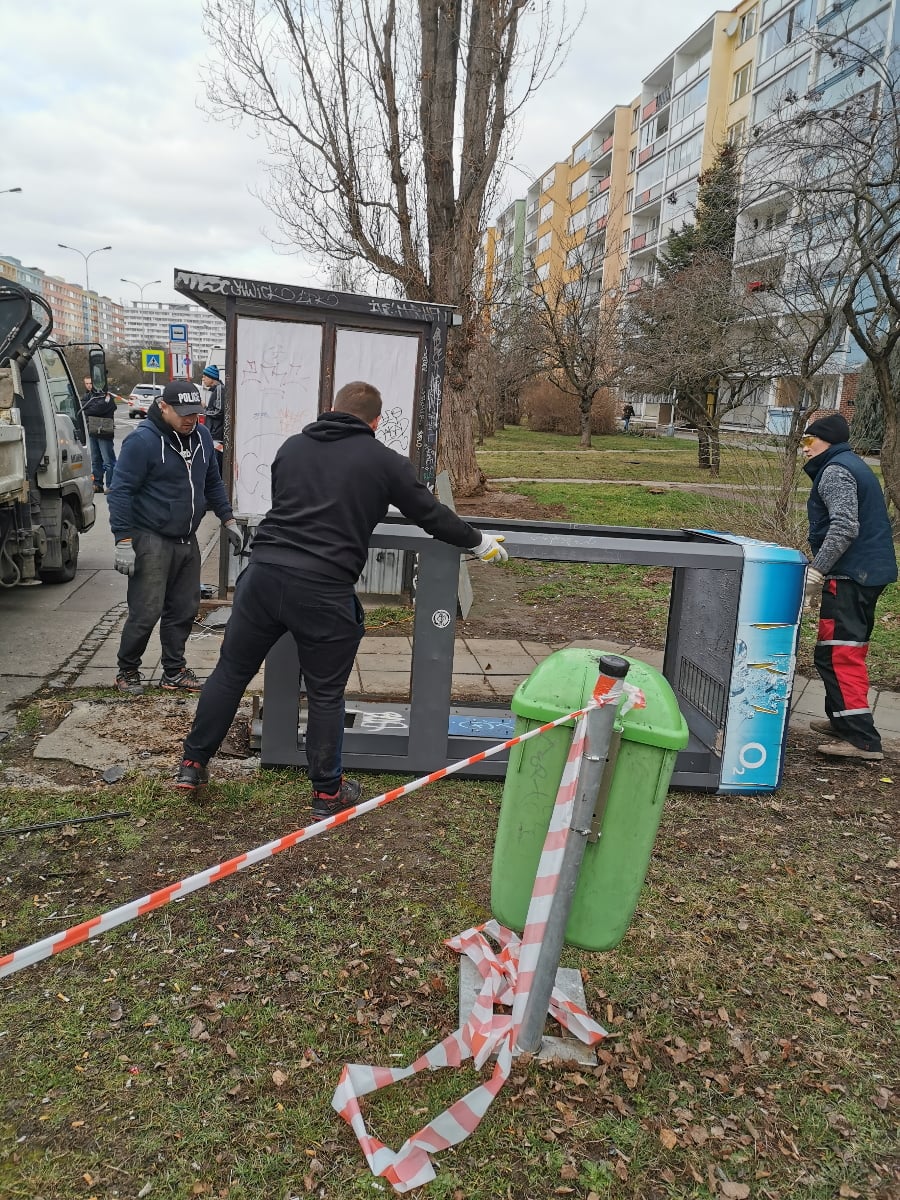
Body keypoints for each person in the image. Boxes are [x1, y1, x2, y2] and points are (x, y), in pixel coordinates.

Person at [175, 380, 509, 817]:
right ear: (375, 422)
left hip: (261, 576)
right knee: (325, 693)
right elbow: (429, 514)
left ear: (331, 409)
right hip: (322, 588)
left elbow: (291, 504)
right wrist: (478, 541)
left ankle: (192, 764)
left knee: (231, 672)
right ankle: (327, 793)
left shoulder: (292, 448)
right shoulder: (384, 461)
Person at [108, 379, 243, 696]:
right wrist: (123, 540)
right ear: (163, 407)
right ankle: (127, 670)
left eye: (195, 413)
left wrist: (228, 518)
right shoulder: (142, 442)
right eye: (183, 413)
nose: (190, 419)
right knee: (146, 611)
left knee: (183, 609)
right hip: (150, 537)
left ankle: (174, 671)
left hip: (186, 538)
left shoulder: (202, 437)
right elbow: (120, 492)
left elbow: (212, 481)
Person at [801, 412, 896, 761]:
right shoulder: (850, 464)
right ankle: (843, 720)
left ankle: (860, 738)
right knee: (841, 651)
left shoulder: (836, 471)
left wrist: (817, 571)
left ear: (826, 440)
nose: (804, 448)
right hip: (867, 573)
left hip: (852, 576)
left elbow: (844, 527)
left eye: (808, 441)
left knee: (839, 654)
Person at [81, 376, 118, 493]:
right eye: (86, 383)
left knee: (108, 460)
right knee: (96, 459)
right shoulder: (88, 396)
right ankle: (97, 484)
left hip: (104, 431)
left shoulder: (106, 395)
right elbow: (82, 406)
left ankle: (111, 485)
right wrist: (90, 407)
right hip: (93, 430)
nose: (89, 386)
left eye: (90, 383)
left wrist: (89, 408)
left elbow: (99, 408)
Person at [201, 364, 226, 474]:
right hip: (215, 435)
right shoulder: (216, 390)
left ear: (212, 378)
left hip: (216, 436)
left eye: (205, 376)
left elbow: (219, 411)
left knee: (215, 468)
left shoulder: (220, 389)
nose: (203, 379)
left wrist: (204, 409)